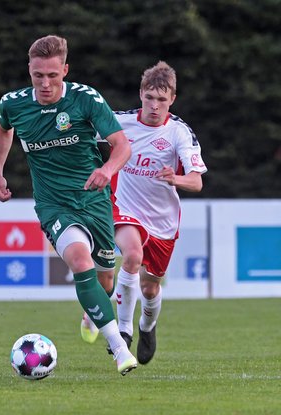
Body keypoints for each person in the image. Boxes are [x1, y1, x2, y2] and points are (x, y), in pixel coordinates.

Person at [0, 35, 137, 375]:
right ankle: (120, 350)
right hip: (54, 205)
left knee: (105, 280)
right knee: (80, 262)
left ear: (65, 71)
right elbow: (2, 129)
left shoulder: (86, 99)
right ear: (29, 70)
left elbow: (122, 146)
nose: (45, 83)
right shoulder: (13, 104)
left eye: (52, 76)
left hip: (94, 200)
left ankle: (91, 312)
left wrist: (107, 169)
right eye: (38, 75)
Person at [85, 61, 207, 364]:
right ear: (141, 94)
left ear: (172, 99)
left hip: (163, 221)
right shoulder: (120, 122)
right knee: (132, 256)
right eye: (149, 97)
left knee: (150, 288)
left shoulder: (179, 132)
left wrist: (175, 178)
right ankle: (124, 331)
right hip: (125, 207)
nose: (154, 105)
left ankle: (147, 327)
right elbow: (81, 132)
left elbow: (196, 181)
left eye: (161, 99)